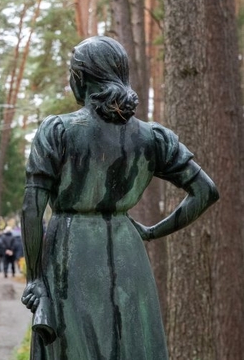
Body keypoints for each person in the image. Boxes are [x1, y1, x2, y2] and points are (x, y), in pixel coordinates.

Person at [20, 36, 219, 359]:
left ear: (80, 78)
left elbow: (32, 207)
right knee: (130, 343)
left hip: (70, 253)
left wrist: (34, 279)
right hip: (129, 252)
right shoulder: (152, 137)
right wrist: (152, 232)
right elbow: (205, 191)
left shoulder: (56, 130)